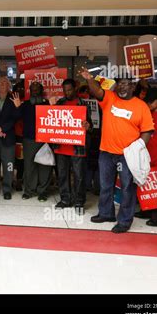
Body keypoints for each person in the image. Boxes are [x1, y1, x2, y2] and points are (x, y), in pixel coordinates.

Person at [81, 69, 154, 233]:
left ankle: (124, 220)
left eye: (126, 84)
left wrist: (138, 147)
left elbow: (147, 130)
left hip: (127, 155)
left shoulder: (141, 106)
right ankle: (106, 213)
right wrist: (89, 80)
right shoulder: (110, 98)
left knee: (127, 187)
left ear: (133, 87)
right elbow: (97, 91)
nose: (122, 87)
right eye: (120, 83)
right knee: (105, 185)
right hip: (106, 152)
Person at [52, 79, 92, 213]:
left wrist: (88, 126)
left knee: (79, 176)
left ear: (75, 88)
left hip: (77, 147)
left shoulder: (84, 104)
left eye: (69, 89)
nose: (67, 92)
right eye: (65, 90)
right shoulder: (60, 103)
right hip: (62, 146)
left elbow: (90, 126)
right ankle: (65, 199)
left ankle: (79, 202)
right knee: (62, 175)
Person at [13, 81, 51, 201]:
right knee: (29, 166)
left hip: (45, 139)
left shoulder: (47, 104)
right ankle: (29, 191)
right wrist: (17, 106)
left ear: (41, 91)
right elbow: (16, 117)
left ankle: (43, 191)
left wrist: (53, 106)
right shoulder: (25, 105)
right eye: (33, 90)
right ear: (30, 92)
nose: (35, 92)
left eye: (37, 90)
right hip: (29, 139)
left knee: (44, 166)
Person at [135, 88, 157, 227]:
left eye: (152, 102)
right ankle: (146, 209)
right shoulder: (148, 112)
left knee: (156, 185)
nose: (149, 104)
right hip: (146, 154)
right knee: (144, 182)